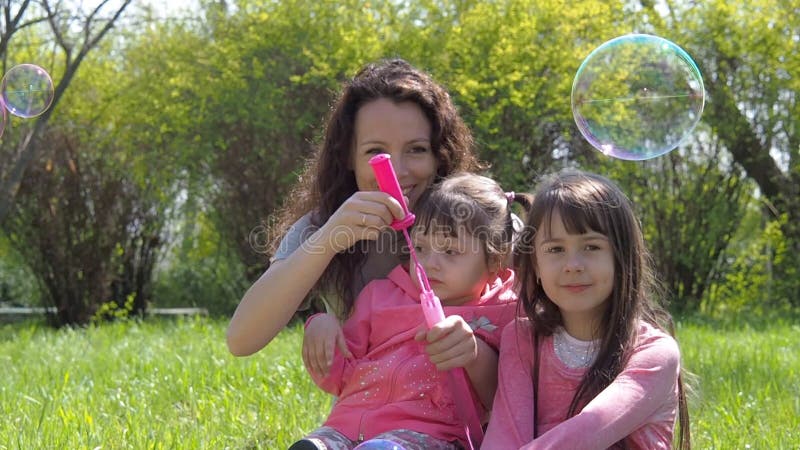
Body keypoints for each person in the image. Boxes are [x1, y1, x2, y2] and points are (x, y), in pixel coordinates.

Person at [226, 58, 483, 357]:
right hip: (368, 402)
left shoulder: (479, 219)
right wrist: (329, 238)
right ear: (348, 156)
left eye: (417, 150)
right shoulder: (323, 226)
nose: (397, 171)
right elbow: (241, 340)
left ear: (441, 155)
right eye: (375, 151)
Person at [289, 173, 528, 450]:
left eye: (450, 251)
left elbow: (505, 400)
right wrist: (323, 330)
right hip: (346, 426)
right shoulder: (380, 297)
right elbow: (340, 378)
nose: (429, 263)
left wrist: (474, 354)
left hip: (432, 436)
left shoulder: (505, 312)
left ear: (494, 260)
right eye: (421, 247)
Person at [482, 169, 690, 450]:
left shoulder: (654, 353)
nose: (573, 264)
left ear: (622, 258)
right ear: (535, 266)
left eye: (591, 246)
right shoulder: (521, 339)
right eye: (555, 250)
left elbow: (590, 429)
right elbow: (504, 435)